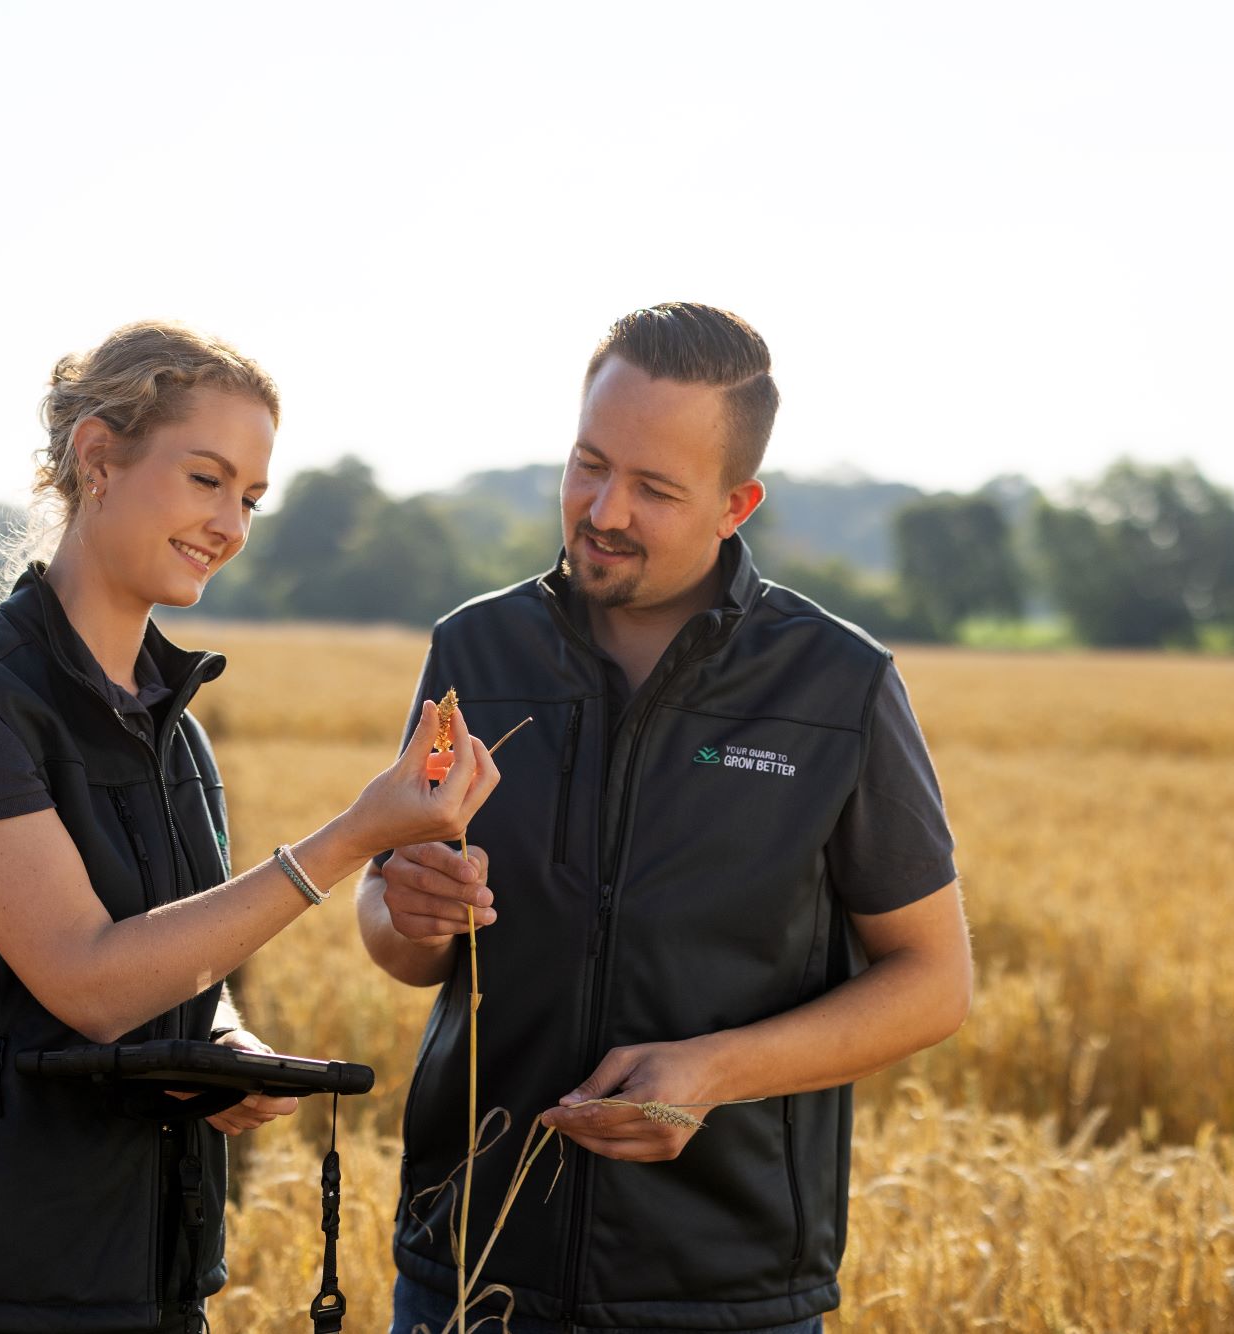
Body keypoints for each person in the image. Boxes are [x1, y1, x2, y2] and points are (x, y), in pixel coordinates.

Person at [0, 321, 500, 1334]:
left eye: (250, 497)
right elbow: (92, 980)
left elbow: (179, 980)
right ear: (97, 456)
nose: (229, 523)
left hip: (153, 1287)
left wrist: (221, 1051)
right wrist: (350, 837)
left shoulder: (175, 732)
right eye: (205, 478)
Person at [358, 303, 973, 1333]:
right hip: (465, 1274)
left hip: (724, 1295)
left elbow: (931, 982)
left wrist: (712, 1070)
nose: (603, 508)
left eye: (652, 488)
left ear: (736, 502)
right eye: (588, 463)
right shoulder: (475, 651)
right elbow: (397, 924)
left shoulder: (838, 685)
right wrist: (403, 911)